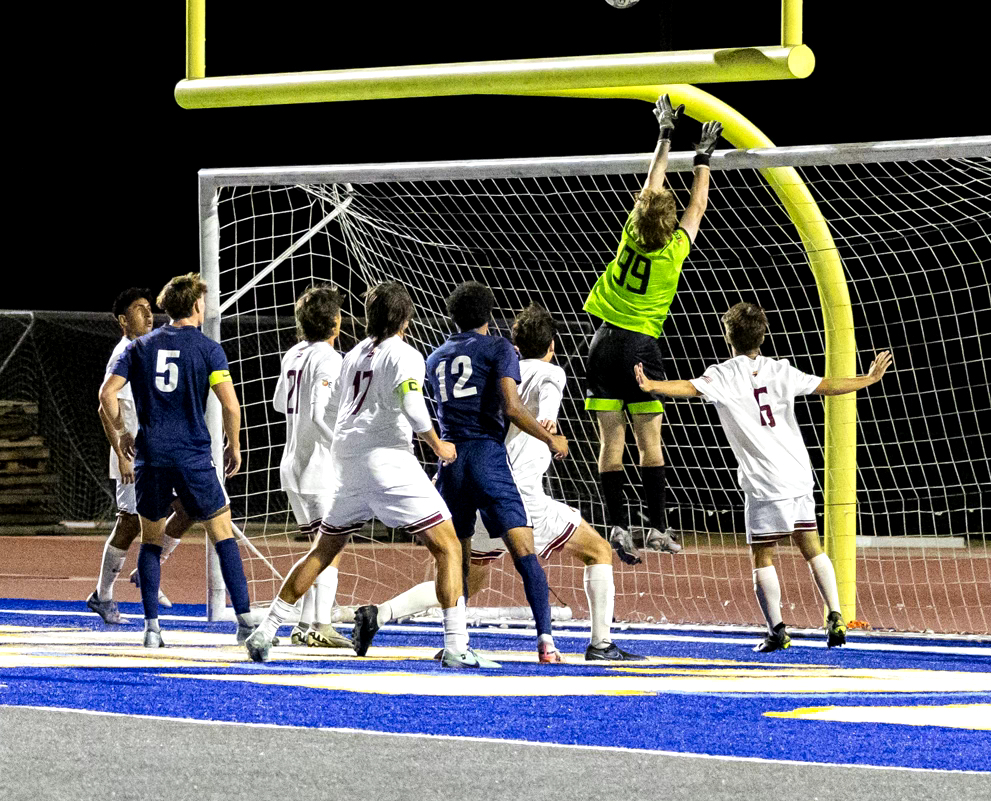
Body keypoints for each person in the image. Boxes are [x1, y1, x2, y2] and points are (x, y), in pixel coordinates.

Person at [243, 281, 493, 668]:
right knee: (449, 547)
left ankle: (266, 630)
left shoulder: (353, 353)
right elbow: (412, 404)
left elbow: (336, 409)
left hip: (346, 462)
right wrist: (437, 445)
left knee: (322, 550)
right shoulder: (405, 354)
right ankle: (457, 646)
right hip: (388, 461)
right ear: (405, 318)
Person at [635, 302, 893, 652]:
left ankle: (776, 630)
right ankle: (836, 615)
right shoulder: (781, 369)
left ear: (728, 336)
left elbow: (689, 388)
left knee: (763, 554)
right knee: (811, 545)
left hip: (764, 481)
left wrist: (652, 384)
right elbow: (827, 385)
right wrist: (869, 379)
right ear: (764, 335)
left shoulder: (724, 374)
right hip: (798, 473)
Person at [349, 283, 571, 664]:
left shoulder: (435, 357)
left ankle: (456, 641)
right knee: (524, 553)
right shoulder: (500, 347)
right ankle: (546, 642)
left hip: (451, 466)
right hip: (487, 459)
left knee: (456, 559)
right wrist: (552, 441)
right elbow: (513, 408)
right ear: (488, 314)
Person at [582, 94, 721, 563]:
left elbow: (652, 181)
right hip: (640, 348)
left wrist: (665, 131)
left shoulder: (630, 233)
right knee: (650, 443)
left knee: (610, 443)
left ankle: (618, 525)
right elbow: (697, 206)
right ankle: (657, 527)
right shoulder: (672, 251)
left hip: (601, 345)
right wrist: (704, 159)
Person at [98, 273, 256, 648]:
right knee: (222, 534)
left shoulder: (137, 347)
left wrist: (122, 434)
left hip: (151, 457)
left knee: (149, 542)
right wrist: (234, 444)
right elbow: (230, 405)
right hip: (192, 455)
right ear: (197, 306)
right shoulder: (208, 348)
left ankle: (151, 628)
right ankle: (246, 622)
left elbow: (107, 395)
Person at [88, 287, 192, 625]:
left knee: (189, 507)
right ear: (122, 320)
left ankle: (147, 569)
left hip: (161, 452)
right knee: (130, 522)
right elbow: (105, 406)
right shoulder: (123, 353)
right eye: (139, 309)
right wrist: (121, 453)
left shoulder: (149, 350)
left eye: (150, 308)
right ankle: (102, 595)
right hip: (135, 456)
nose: (148, 314)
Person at [270, 284, 352, 649]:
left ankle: (304, 624)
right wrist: (342, 445)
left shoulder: (293, 353)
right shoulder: (330, 358)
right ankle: (321, 622)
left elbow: (276, 403)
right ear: (334, 322)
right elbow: (320, 414)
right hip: (319, 465)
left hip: (291, 464)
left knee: (316, 548)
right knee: (331, 547)